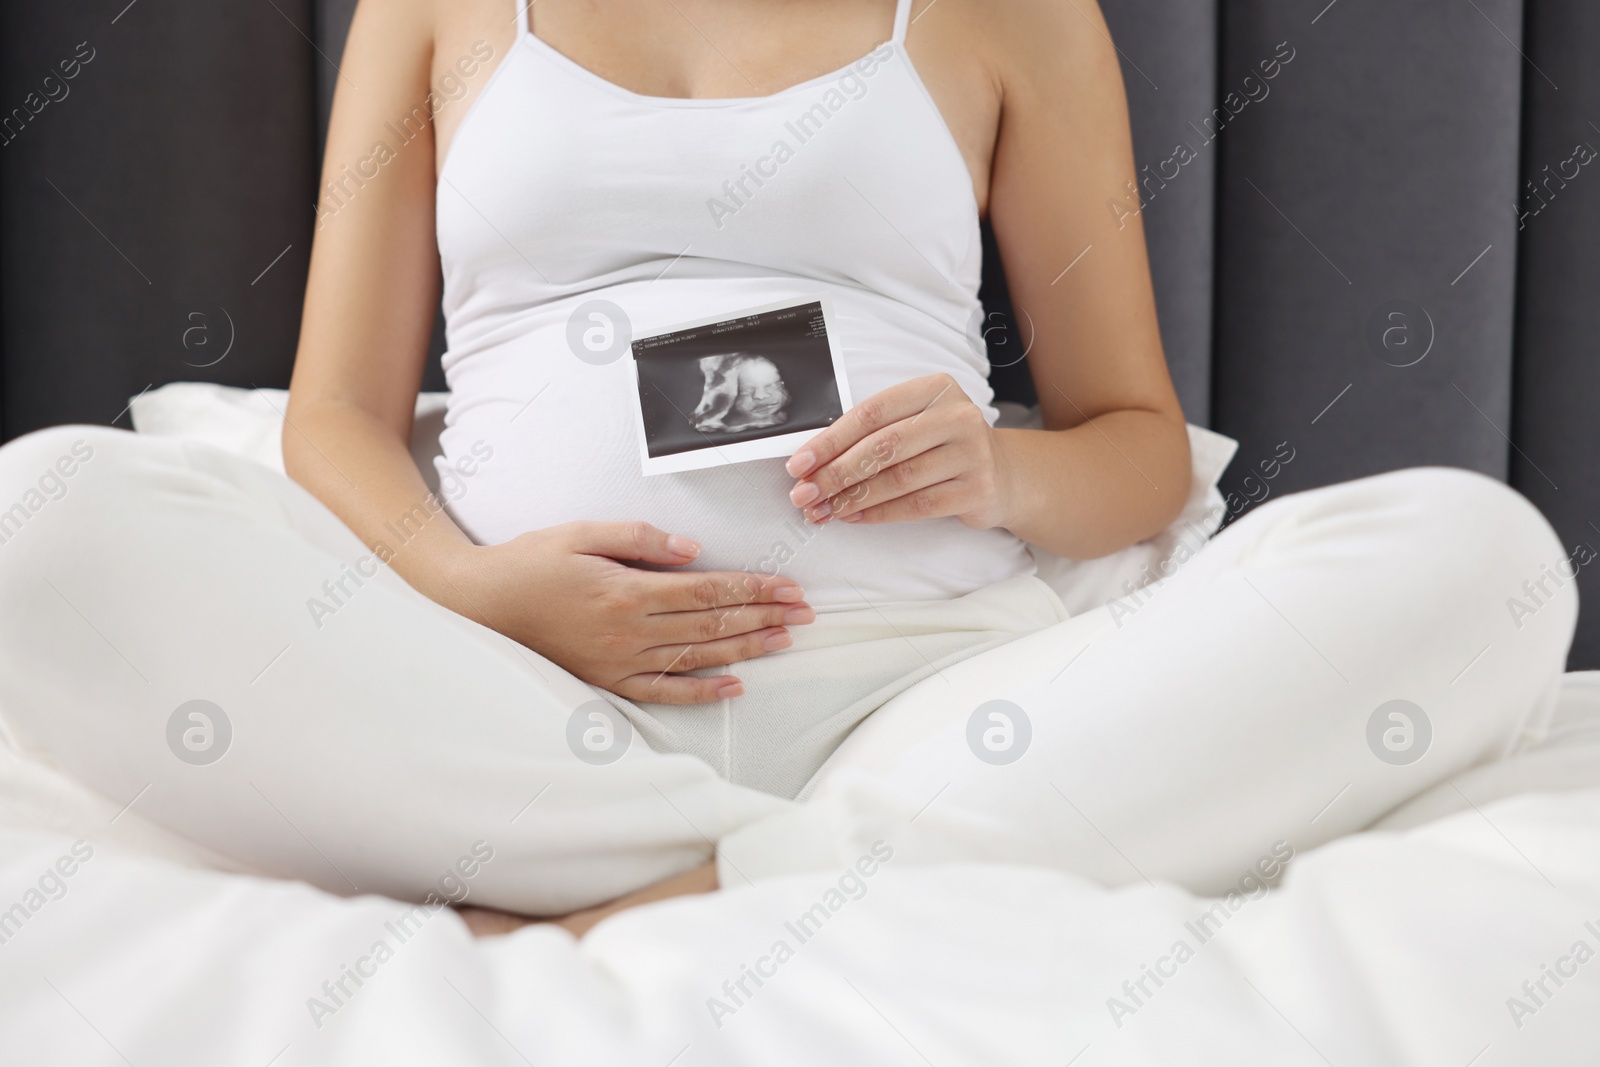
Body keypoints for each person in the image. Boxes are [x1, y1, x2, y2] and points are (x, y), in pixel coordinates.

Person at [0, 0, 1576, 931]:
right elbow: (332, 412)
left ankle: (680, 878)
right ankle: (781, 861)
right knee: (37, 516)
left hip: (938, 701)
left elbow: (1139, 451)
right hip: (505, 690)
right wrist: (481, 589)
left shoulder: (1009, 14)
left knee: (1484, 560)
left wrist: (1004, 475)